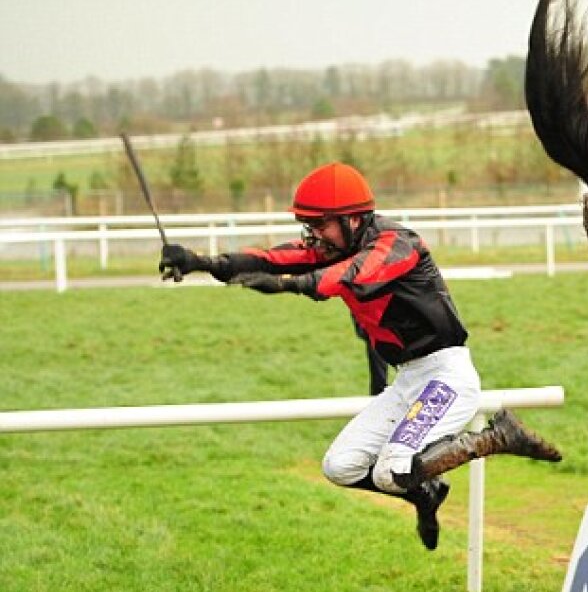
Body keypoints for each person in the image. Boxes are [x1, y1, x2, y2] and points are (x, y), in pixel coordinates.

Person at [158, 161, 561, 550]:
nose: (312, 236)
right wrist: (200, 262)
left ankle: (497, 436)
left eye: (319, 225)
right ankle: (426, 491)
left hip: (446, 376)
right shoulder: (337, 244)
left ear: (351, 219)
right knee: (340, 466)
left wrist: (284, 286)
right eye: (308, 226)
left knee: (390, 471)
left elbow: (347, 276)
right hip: (408, 380)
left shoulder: (396, 243)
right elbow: (272, 257)